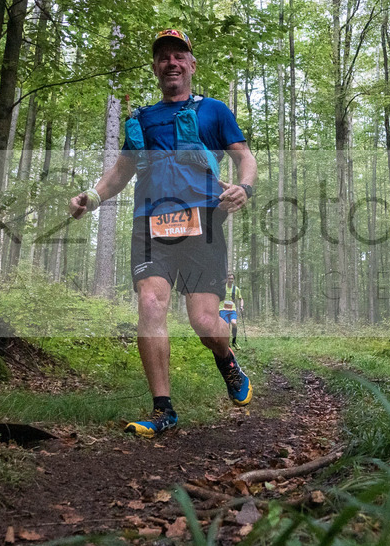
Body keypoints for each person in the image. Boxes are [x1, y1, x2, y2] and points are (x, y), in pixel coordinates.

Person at [70, 29, 259, 439]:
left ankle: (226, 359)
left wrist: (244, 187)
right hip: (150, 224)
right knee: (151, 303)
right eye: (163, 57)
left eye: (178, 56)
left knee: (205, 322)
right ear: (156, 68)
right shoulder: (142, 119)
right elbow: (121, 172)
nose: (171, 62)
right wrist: (92, 197)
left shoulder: (214, 111)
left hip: (203, 222)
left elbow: (245, 157)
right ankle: (163, 410)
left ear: (191, 64)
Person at [219, 271, 244, 348]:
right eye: (229, 278)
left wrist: (241, 306)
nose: (231, 280)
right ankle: (227, 343)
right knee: (226, 327)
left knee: (234, 323)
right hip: (222, 309)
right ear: (227, 279)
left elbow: (241, 298)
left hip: (232, 309)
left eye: (232, 279)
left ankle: (234, 341)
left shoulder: (236, 289)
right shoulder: (223, 288)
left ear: (234, 279)